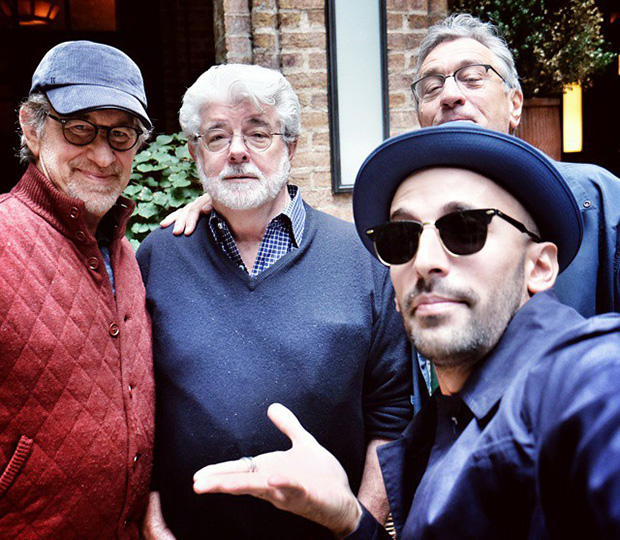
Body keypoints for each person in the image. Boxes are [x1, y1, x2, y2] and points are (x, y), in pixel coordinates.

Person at [191, 122, 620, 538]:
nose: (425, 259)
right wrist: (347, 517)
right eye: (402, 238)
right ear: (394, 293)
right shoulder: (439, 428)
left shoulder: (585, 381)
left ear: (540, 266)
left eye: (466, 228)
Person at [167, 14, 620, 318]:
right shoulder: (404, 218)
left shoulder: (597, 200)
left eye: (472, 76)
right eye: (431, 84)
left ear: (515, 101)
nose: (450, 93)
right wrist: (233, 198)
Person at [136, 64, 413, 539]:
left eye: (258, 133)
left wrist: (358, 523)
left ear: (292, 146)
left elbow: (392, 413)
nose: (238, 151)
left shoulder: (362, 261)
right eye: (217, 136)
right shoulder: (158, 256)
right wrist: (154, 523)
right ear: (194, 153)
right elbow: (137, 406)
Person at [0, 41, 154, 539]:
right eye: (80, 128)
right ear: (32, 126)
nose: (104, 154)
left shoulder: (126, 254)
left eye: (122, 134)